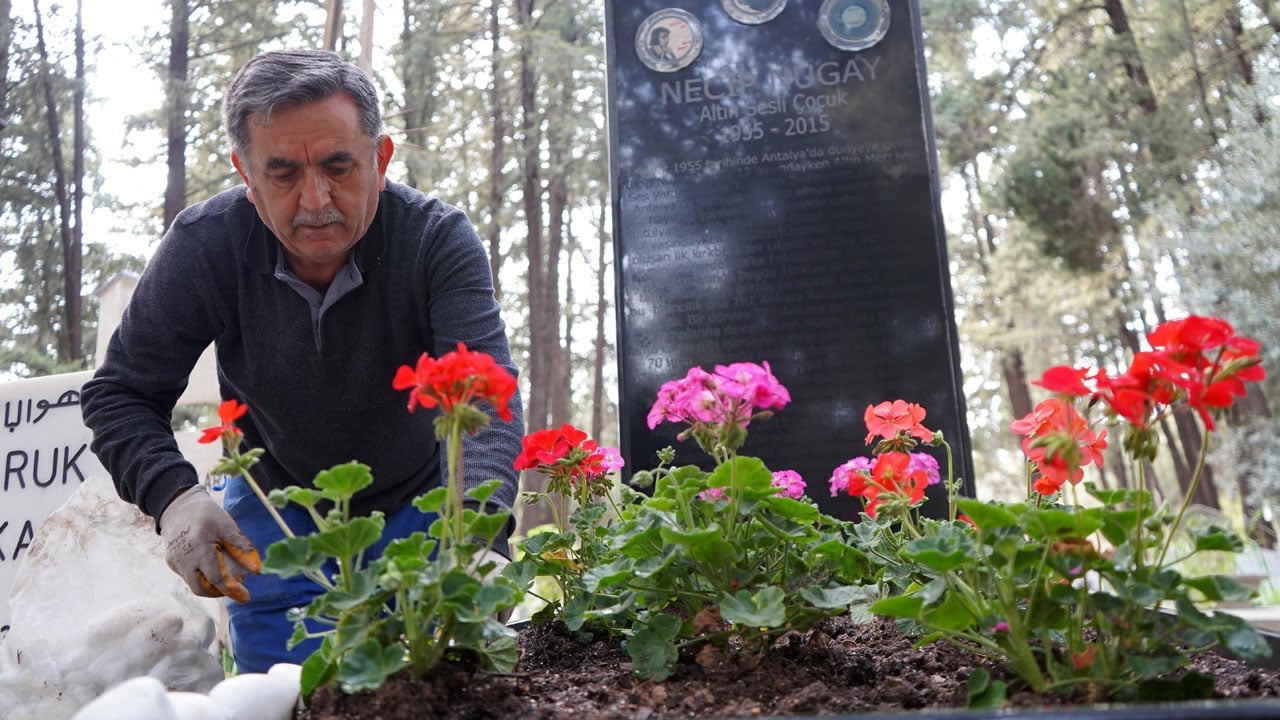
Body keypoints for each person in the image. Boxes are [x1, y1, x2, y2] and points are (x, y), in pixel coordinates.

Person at [80, 48, 525, 674]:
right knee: (283, 700)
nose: (316, 200)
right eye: (283, 172)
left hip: (425, 506)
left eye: (339, 165)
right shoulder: (205, 246)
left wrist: (476, 531)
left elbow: (485, 391)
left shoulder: (435, 239)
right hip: (274, 522)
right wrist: (175, 497)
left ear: (381, 157)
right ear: (245, 173)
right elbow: (121, 393)